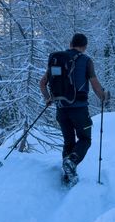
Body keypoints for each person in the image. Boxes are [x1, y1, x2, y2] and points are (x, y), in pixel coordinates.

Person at [40, 33, 109, 184]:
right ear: (84, 46)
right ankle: (72, 162)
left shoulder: (57, 60)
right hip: (79, 110)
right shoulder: (86, 61)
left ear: (70, 44)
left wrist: (48, 98)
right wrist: (104, 95)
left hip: (61, 109)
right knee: (85, 139)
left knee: (68, 141)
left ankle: (68, 176)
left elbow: (43, 83)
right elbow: (95, 85)